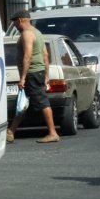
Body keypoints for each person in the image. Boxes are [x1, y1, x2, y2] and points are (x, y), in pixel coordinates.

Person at [6, 10, 60, 144]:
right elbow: (45, 55)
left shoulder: (26, 34)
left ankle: (53, 133)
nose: (15, 26)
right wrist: (46, 75)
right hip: (38, 72)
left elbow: (27, 56)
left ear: (19, 20)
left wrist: (23, 77)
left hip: (32, 73)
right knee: (23, 103)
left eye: (14, 23)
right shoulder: (38, 33)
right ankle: (11, 131)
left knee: (42, 101)